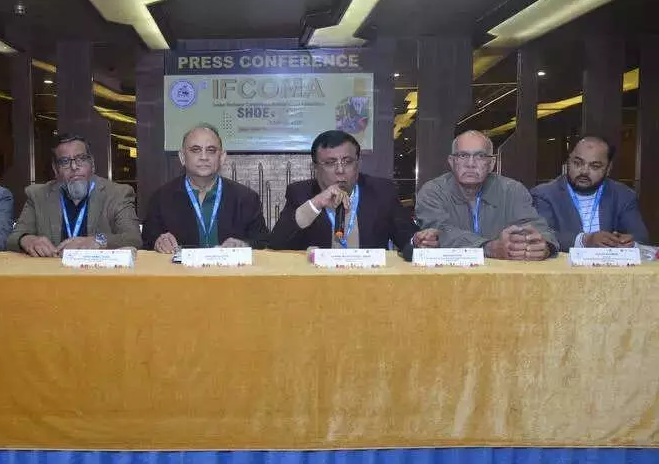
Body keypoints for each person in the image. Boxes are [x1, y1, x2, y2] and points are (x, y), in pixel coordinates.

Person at [269, 130, 437, 258]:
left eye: (347, 162)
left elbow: (406, 236)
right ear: (316, 168)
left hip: (370, 281)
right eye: (330, 163)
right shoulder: (300, 193)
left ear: (358, 163)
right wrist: (316, 203)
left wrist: (417, 241)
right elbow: (276, 245)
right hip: (318, 283)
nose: (340, 170)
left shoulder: (382, 191)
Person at [415, 130, 557, 260]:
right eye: (463, 155)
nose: (471, 164)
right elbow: (440, 233)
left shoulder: (512, 190)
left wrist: (544, 247)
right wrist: (489, 248)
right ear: (452, 162)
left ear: (491, 163)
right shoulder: (433, 191)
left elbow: (538, 229)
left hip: (504, 277)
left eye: (480, 156)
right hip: (448, 274)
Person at [7, 133, 141, 257]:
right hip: (52, 271)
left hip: (99, 271)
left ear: (92, 164)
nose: (74, 167)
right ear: (55, 169)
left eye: (81, 159)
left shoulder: (117, 194)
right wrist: (27, 239)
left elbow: (133, 238)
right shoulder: (38, 196)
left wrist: (97, 240)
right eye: (65, 161)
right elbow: (13, 238)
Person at [142, 124, 269, 253]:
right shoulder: (161, 198)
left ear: (222, 157)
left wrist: (245, 245)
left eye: (211, 150)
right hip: (181, 266)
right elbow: (147, 241)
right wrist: (158, 242)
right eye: (195, 150)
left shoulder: (246, 198)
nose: (204, 157)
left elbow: (263, 242)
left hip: (231, 266)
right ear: (182, 157)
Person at [531, 135, 649, 251]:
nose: (584, 171)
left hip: (609, 263)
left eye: (595, 166)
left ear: (608, 169)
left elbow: (641, 238)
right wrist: (584, 241)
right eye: (577, 163)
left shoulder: (623, 195)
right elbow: (543, 236)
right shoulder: (544, 194)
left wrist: (628, 243)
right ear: (568, 161)